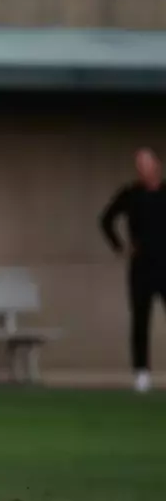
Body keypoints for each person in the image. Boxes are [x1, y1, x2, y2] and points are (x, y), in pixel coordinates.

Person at [100, 148, 166, 393]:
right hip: (141, 267)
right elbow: (106, 220)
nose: (143, 170)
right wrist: (120, 247)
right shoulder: (130, 194)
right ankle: (141, 373)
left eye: (147, 164)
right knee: (140, 320)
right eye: (139, 165)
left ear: (157, 166)